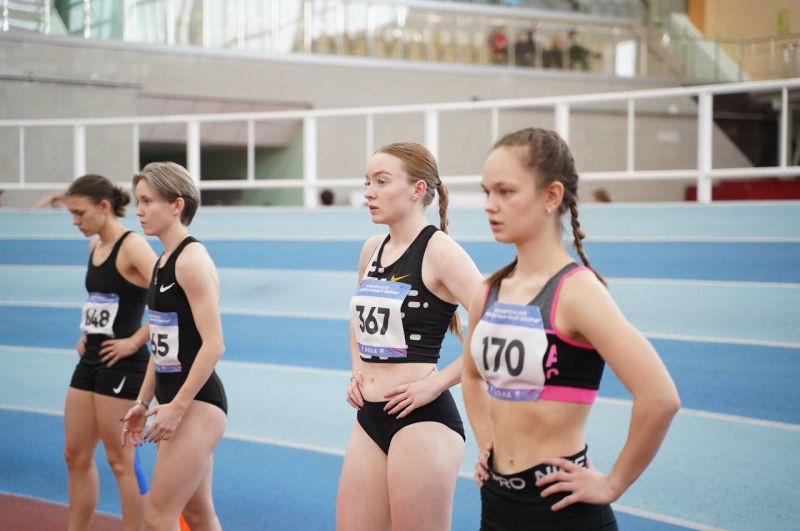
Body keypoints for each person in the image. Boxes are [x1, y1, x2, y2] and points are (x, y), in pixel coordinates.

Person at [461, 128, 680, 530]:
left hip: (562, 511)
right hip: (496, 503)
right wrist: (486, 439)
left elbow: (660, 396)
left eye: (505, 192)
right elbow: (471, 376)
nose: (490, 205)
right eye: (486, 192)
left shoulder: (578, 292)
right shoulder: (487, 292)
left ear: (551, 196)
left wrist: (613, 484)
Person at [336, 143, 483, 530]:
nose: (369, 193)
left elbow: (497, 325)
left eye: (382, 182)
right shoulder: (372, 249)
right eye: (367, 182)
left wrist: (437, 383)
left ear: (418, 189)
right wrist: (357, 371)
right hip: (369, 417)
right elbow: (356, 318)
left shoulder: (441, 251)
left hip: (421, 420)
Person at [121, 162, 228, 531]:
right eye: (137, 201)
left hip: (197, 404)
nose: (139, 211)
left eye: (147, 201)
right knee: (198, 515)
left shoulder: (191, 261)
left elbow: (214, 345)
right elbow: (161, 344)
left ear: (176, 205)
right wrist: (143, 402)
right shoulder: (162, 262)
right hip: (172, 401)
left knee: (157, 517)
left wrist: (177, 408)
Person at [64, 174, 156, 531]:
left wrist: (135, 340)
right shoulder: (95, 247)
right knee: (75, 455)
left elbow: (172, 299)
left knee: (120, 460)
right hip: (91, 359)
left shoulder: (133, 246)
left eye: (79, 213)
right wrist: (89, 333)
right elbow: (102, 300)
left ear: (104, 207)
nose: (75, 221)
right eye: (72, 214)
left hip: (125, 365)